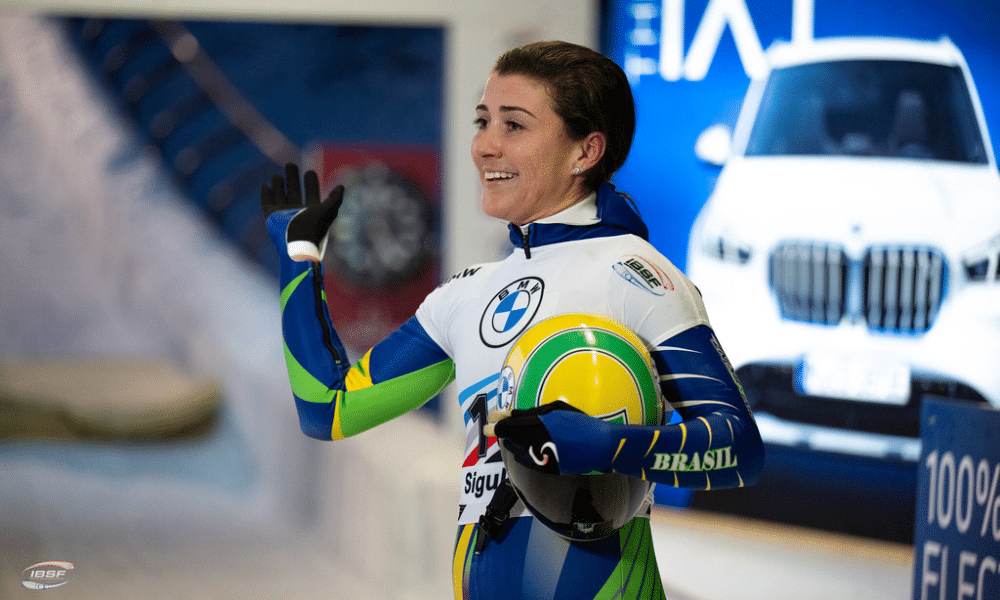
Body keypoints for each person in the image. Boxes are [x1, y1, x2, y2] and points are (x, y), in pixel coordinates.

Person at [261, 40, 764, 600]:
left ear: (586, 150)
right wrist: (300, 259)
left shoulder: (635, 272)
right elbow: (329, 410)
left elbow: (739, 448)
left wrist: (607, 446)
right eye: (483, 121)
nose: (484, 147)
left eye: (514, 126)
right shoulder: (467, 293)